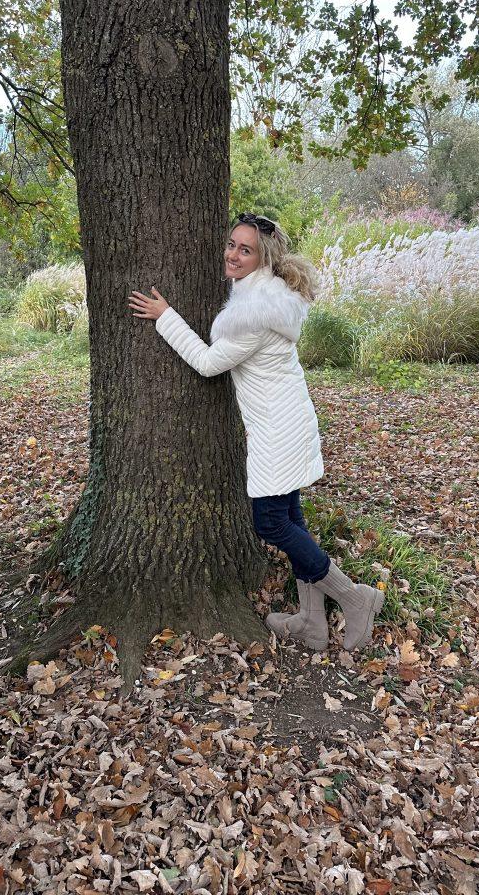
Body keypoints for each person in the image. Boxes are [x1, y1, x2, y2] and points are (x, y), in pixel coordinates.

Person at [127, 212, 384, 651]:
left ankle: (354, 598)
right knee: (291, 518)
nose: (232, 254)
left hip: (277, 429)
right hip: (287, 419)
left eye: (244, 250)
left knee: (270, 522)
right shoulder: (267, 294)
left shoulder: (256, 315)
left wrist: (166, 316)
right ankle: (312, 622)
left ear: (263, 258)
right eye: (231, 244)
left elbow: (208, 363)